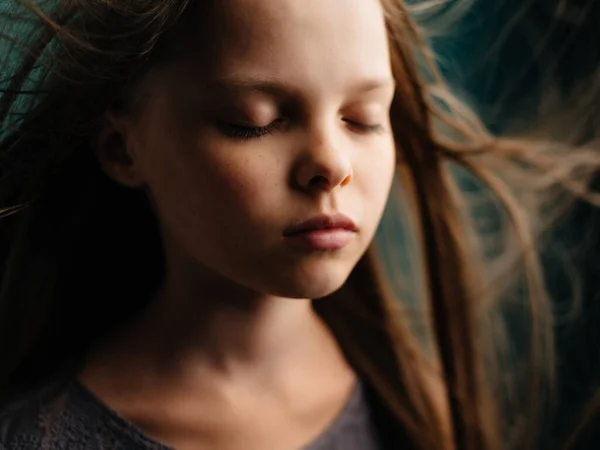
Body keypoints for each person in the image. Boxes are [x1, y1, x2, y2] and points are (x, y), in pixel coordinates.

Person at [0, 0, 594, 449]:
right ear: (122, 150)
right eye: (252, 121)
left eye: (362, 119)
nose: (332, 165)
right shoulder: (36, 434)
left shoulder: (414, 401)